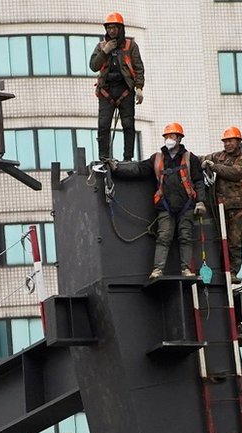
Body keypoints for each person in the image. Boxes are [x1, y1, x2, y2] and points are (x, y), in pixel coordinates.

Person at [111, 122, 206, 279]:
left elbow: (199, 181)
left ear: (179, 138)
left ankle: (186, 269)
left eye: (172, 136)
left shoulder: (190, 158)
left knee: (186, 237)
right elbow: (138, 169)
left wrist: (201, 201)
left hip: (186, 205)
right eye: (166, 136)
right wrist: (117, 168)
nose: (169, 139)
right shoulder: (157, 158)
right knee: (163, 237)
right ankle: (158, 269)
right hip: (165, 205)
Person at [200, 126, 242, 284]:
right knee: (219, 239)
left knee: (234, 241)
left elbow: (234, 173)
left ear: (238, 142)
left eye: (230, 141)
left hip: (239, 208)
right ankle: (220, 269)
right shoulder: (220, 156)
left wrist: (213, 166)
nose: (227, 144)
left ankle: (232, 272)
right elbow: (201, 159)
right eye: (225, 141)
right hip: (220, 207)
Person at [90, 12, 145, 162]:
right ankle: (104, 158)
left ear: (120, 29)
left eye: (114, 27)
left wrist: (139, 87)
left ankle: (128, 158)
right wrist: (105, 51)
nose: (111, 31)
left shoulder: (130, 46)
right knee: (103, 126)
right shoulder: (101, 46)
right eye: (109, 28)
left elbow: (138, 67)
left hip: (125, 90)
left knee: (128, 125)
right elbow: (94, 66)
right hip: (106, 91)